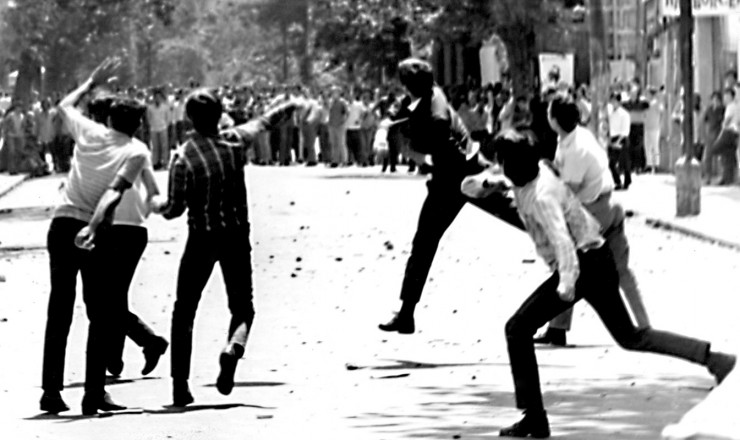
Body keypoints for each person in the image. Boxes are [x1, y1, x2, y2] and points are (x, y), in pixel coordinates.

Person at [490, 130, 736, 438]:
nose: (500, 166)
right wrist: (488, 185)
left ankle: (535, 419)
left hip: (579, 265)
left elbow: (562, 242)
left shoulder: (541, 197)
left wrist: (566, 282)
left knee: (517, 328)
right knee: (631, 336)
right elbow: (515, 191)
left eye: (502, 162)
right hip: (598, 257)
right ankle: (716, 360)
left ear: (514, 165)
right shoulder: (539, 170)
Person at [151, 88, 305, 407]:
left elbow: (176, 208)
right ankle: (233, 347)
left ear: (189, 118)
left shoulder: (184, 157)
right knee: (243, 307)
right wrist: (289, 104)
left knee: (185, 310)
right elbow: (264, 122)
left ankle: (180, 385)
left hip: (201, 238)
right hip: (235, 234)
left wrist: (157, 205)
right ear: (220, 114)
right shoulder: (234, 141)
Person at [39, 58, 154, 415]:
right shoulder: (135, 151)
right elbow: (115, 193)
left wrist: (90, 81)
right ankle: (93, 394)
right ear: (138, 126)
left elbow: (62, 107)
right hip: (94, 228)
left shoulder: (89, 132)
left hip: (61, 225)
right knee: (100, 313)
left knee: (59, 310)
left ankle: (51, 392)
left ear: (108, 120)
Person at [378, 58, 524, 335]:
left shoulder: (437, 113)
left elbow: (445, 142)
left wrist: (420, 156)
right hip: (452, 177)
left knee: (521, 215)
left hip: (462, 175)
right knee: (424, 242)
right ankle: (406, 313)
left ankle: (570, 240)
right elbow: (401, 109)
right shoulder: (425, 95)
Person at [530, 95, 650, 347]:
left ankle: (557, 328)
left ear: (554, 120)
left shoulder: (575, 150)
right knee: (622, 270)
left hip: (595, 210)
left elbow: (567, 191)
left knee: (568, 264)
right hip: (608, 205)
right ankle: (644, 324)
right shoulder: (577, 136)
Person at [707, 88, 740, 185]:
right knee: (729, 154)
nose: (725, 98)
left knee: (714, 149)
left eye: (726, 96)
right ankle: (728, 177)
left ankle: (727, 177)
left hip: (728, 132)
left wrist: (722, 131)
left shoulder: (730, 107)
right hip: (735, 132)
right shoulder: (737, 106)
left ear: (731, 96)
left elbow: (727, 121)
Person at [607, 93, 632, 190]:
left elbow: (625, 130)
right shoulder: (611, 113)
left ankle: (627, 181)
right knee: (611, 163)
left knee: (625, 162)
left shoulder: (624, 114)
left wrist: (619, 141)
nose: (612, 103)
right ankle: (617, 182)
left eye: (614, 101)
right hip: (613, 137)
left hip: (622, 138)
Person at [702, 91, 725, 183]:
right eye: (713, 99)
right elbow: (705, 120)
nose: (715, 101)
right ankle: (708, 176)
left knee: (722, 156)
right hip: (710, 134)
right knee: (708, 156)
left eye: (717, 100)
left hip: (720, 133)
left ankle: (723, 175)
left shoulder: (723, 109)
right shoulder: (709, 109)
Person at [147, 88, 171, 170]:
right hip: (154, 129)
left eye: (159, 97)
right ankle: (155, 163)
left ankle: (164, 162)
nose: (157, 99)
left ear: (161, 98)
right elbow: (149, 118)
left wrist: (165, 125)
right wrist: (152, 125)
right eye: (156, 97)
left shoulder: (165, 107)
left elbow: (168, 118)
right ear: (154, 98)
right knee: (155, 147)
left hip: (163, 128)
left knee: (164, 146)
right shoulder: (150, 108)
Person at [643, 87, 664, 172]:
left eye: (647, 93)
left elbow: (662, 112)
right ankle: (649, 164)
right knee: (647, 146)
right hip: (647, 127)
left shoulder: (656, 103)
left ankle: (657, 164)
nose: (646, 95)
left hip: (655, 127)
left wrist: (660, 124)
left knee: (655, 146)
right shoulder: (645, 103)